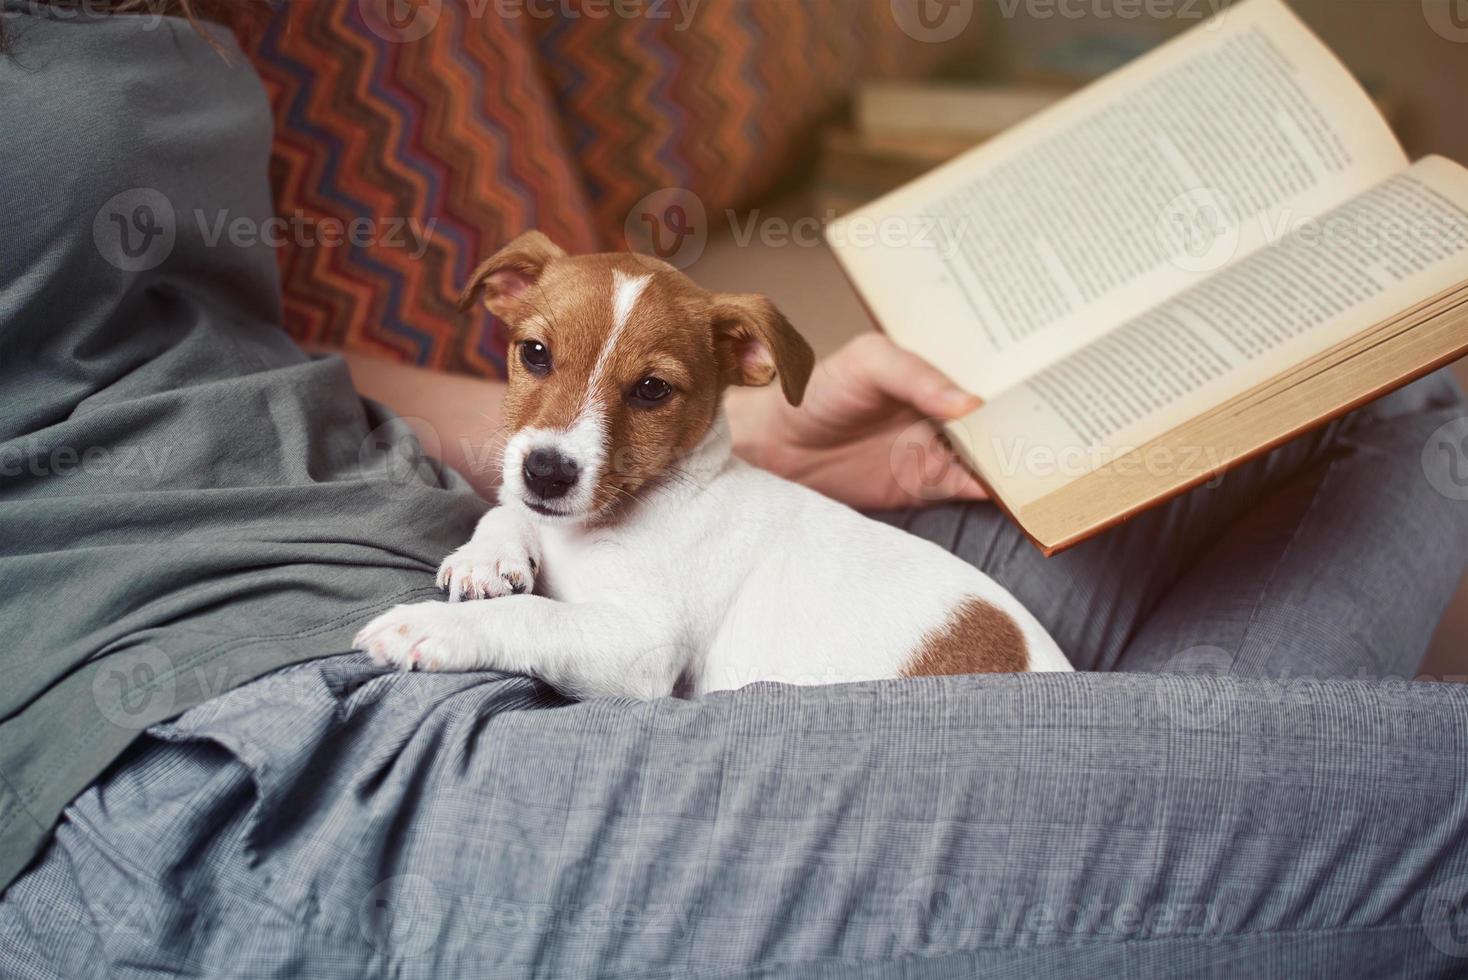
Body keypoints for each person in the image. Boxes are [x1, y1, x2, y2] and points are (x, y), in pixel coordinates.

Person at [2, 4, 1468, 976]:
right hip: (234, 749)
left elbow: (258, 358)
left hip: (473, 555)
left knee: (1394, 379)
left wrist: (723, 439)